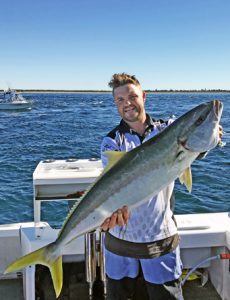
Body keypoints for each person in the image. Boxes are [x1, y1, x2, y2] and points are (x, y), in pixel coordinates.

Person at [100, 73, 183, 300]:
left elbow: (196, 142)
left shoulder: (167, 130)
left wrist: (212, 135)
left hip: (159, 240)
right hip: (120, 243)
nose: (127, 103)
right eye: (120, 100)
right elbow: (111, 187)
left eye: (132, 96)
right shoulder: (111, 141)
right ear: (115, 104)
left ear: (144, 97)